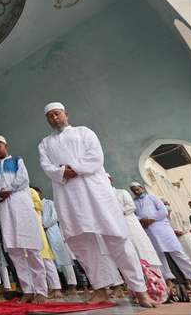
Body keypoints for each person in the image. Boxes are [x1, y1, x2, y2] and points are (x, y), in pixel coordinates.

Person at [38, 102, 155, 307]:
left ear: (66, 114)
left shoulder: (84, 132)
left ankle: (139, 289)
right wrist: (61, 172)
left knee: (117, 238)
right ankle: (100, 289)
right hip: (68, 197)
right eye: (50, 116)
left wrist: (72, 169)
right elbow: (46, 166)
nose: (54, 118)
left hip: (95, 193)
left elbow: (95, 158)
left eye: (57, 114)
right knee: (82, 244)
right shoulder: (45, 143)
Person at [0, 135, 47, 303]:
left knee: (32, 249)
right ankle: (28, 290)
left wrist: (7, 190)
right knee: (14, 252)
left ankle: (41, 291)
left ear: (6, 145)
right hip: (6, 211)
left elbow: (23, 179)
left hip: (22, 208)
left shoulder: (17, 161)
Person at [130, 183, 191, 285]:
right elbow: (135, 216)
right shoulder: (133, 202)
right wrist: (142, 220)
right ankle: (168, 280)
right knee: (159, 256)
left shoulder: (153, 198)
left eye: (137, 189)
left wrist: (151, 219)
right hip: (150, 232)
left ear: (142, 188)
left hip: (163, 230)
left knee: (177, 253)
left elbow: (163, 211)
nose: (136, 192)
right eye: (134, 190)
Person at [33, 186, 78, 295]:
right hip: (41, 235)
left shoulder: (49, 203)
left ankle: (72, 286)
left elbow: (54, 217)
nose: (36, 196)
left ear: (40, 193)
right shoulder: (33, 206)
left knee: (64, 261)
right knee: (49, 262)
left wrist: (45, 225)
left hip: (52, 233)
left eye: (37, 193)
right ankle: (54, 287)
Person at [110, 179, 161, 270]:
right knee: (131, 252)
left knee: (143, 248)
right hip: (120, 228)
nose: (136, 192)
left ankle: (155, 277)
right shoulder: (104, 197)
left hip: (132, 224)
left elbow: (131, 206)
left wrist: (117, 213)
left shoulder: (121, 192)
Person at [30, 187, 63, 299]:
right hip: (31, 237)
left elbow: (39, 206)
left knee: (48, 263)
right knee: (37, 266)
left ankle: (57, 289)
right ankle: (47, 289)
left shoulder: (38, 205)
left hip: (40, 236)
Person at [165, 199, 191, 279]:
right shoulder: (164, 218)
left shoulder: (178, 213)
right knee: (188, 257)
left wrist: (183, 231)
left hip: (186, 236)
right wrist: (175, 232)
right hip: (177, 240)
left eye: (166, 203)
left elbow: (187, 224)